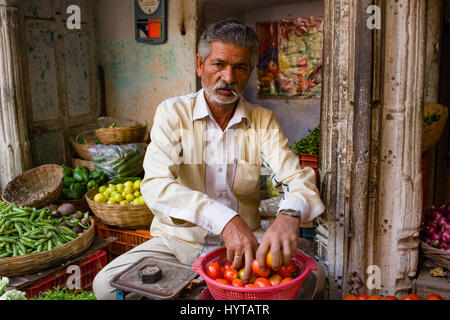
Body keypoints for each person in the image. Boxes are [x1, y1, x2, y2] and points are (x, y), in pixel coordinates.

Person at [93, 18, 325, 300]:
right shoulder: (173, 114)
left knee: (316, 276)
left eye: (240, 68)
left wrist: (289, 215)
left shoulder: (262, 121)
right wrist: (225, 220)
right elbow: (155, 186)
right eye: (219, 65)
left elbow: (296, 177)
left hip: (249, 242)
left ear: (250, 71)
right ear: (199, 65)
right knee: (105, 286)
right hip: (177, 244)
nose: (228, 77)